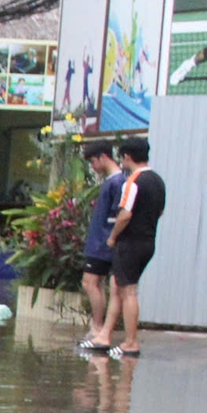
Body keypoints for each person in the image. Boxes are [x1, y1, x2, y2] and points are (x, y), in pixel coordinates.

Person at [103, 138, 164, 359]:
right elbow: (159, 212)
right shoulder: (158, 181)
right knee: (123, 288)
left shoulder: (132, 182)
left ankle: (131, 342)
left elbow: (125, 214)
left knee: (129, 292)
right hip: (149, 241)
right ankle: (115, 337)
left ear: (127, 157)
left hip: (130, 243)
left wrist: (113, 237)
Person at [78, 141, 124, 352]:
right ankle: (98, 326)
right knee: (97, 284)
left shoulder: (116, 183)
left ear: (103, 157)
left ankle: (98, 327)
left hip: (102, 243)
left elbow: (116, 215)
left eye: (93, 162)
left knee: (90, 282)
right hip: (100, 241)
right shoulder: (112, 182)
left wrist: (108, 240)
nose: (93, 167)